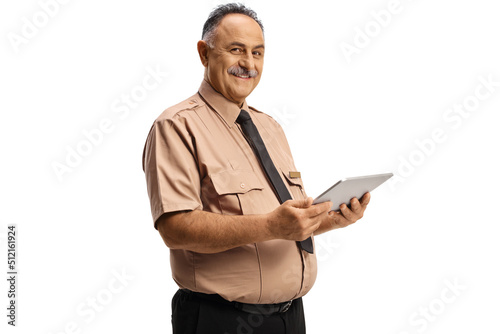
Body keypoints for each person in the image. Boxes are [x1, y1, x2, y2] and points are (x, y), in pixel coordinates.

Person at [142, 3, 370, 334]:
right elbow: (175, 228)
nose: (249, 64)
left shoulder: (270, 127)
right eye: (237, 50)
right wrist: (270, 226)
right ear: (204, 54)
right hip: (220, 319)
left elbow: (283, 224)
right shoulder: (176, 126)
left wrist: (328, 220)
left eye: (258, 53)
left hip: (290, 318)